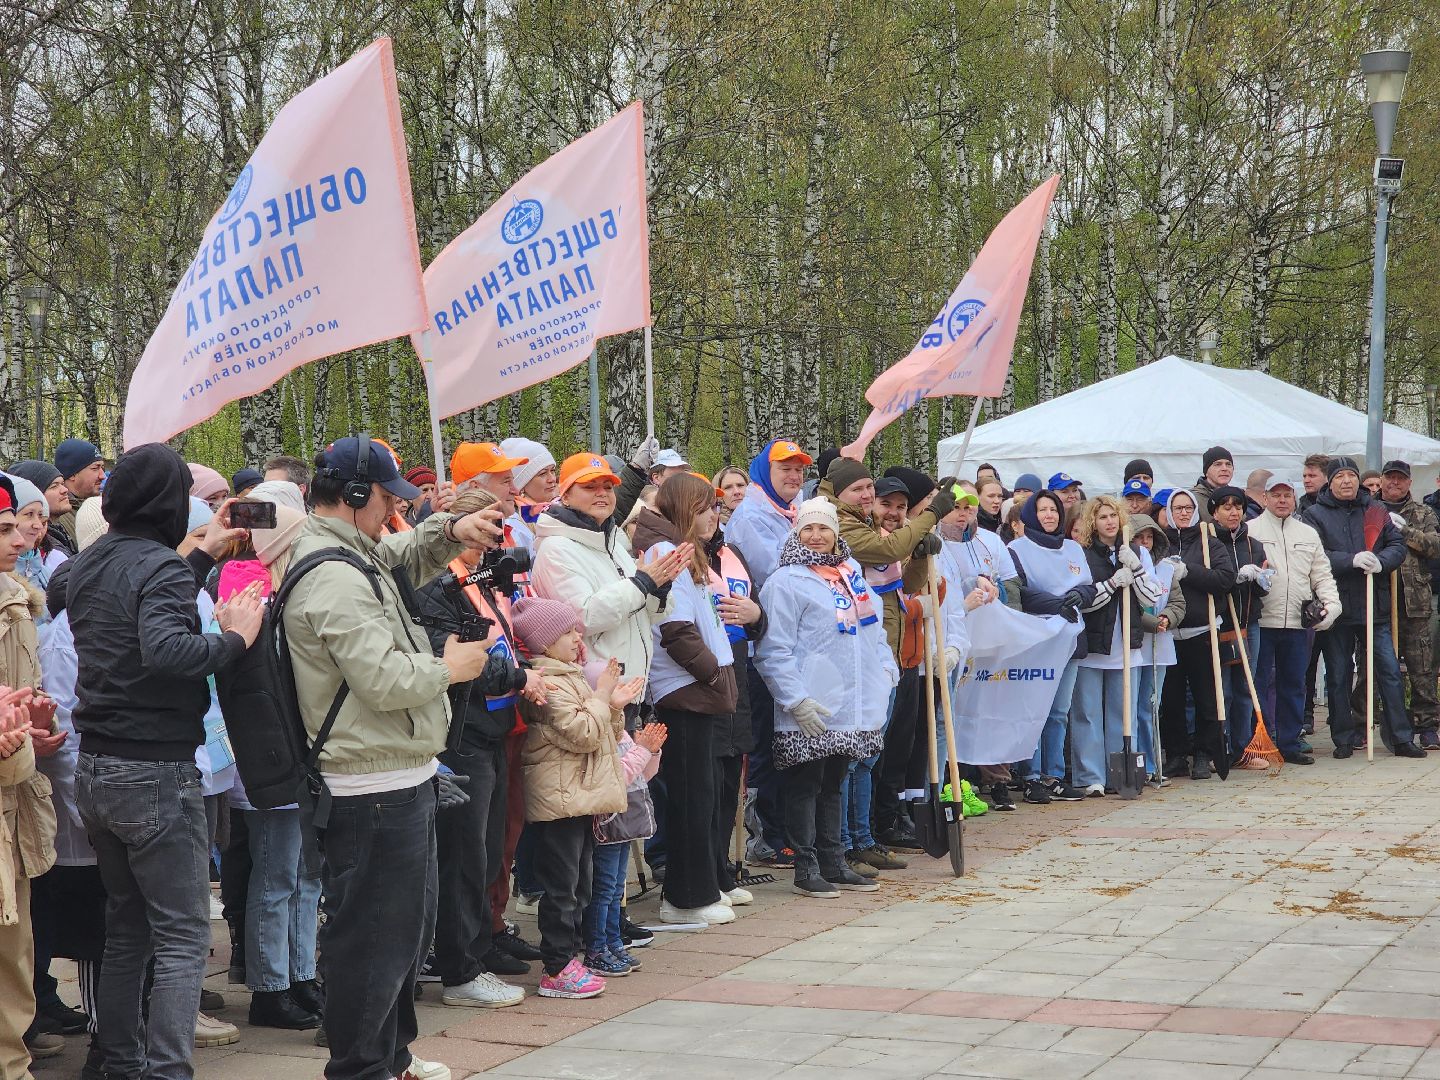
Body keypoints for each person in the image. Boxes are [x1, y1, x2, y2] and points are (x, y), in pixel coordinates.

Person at [282, 435, 505, 1080]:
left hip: (393, 777)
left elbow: (401, 557)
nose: (392, 514)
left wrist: (450, 528)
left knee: (399, 935)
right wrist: (449, 667)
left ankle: (388, 1055)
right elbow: (382, 680)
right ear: (354, 496)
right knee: (373, 939)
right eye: (386, 499)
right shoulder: (331, 574)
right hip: (368, 786)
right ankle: (361, 1065)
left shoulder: (351, 555)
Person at [68, 446, 263, 1080]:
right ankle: (167, 1070)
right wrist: (234, 637)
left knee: (128, 926)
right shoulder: (162, 569)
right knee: (181, 936)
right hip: (155, 770)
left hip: (97, 767)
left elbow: (85, 593)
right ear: (170, 503)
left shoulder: (90, 559)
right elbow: (169, 651)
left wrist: (201, 554)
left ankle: (118, 1060)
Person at [415, 488, 541, 1008]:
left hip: (493, 726)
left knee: (488, 849)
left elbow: (502, 636)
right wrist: (519, 675)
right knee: (464, 855)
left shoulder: (481, 577)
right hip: (461, 730)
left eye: (499, 526)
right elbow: (460, 657)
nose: (495, 538)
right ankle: (459, 968)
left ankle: (480, 947)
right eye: (486, 526)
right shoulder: (435, 586)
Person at [754, 498, 897, 898]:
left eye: (824, 529)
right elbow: (773, 649)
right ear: (796, 533)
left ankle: (834, 860)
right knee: (806, 782)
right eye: (808, 529)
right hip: (810, 704)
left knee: (834, 781)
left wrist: (886, 672)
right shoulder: (786, 581)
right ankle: (805, 865)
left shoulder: (851, 575)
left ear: (836, 534)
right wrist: (795, 698)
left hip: (851, 704)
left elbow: (875, 634)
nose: (816, 537)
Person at [823, 459, 954, 873]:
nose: (888, 509)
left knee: (871, 756)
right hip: (857, 657)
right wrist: (930, 517)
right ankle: (846, 841)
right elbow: (883, 551)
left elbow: (906, 583)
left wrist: (918, 553)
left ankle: (864, 836)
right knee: (855, 757)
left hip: (889, 655)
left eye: (901, 505)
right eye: (873, 495)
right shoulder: (844, 527)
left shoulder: (880, 531)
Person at [511, 598, 642, 998]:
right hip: (561, 797)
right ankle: (556, 967)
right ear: (545, 641)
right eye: (567, 632)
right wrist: (603, 696)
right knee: (563, 885)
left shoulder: (571, 677)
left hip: (579, 796)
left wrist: (613, 706)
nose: (577, 638)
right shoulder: (547, 682)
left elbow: (600, 729)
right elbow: (583, 732)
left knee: (580, 883)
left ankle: (570, 958)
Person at [629, 474, 740, 927]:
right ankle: (684, 896)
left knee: (704, 793)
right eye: (703, 507)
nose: (713, 515)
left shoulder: (691, 553)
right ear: (680, 512)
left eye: (714, 507)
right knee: (692, 795)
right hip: (685, 689)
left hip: (702, 687)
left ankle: (701, 886)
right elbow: (673, 627)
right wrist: (711, 672)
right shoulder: (664, 552)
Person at [721, 438, 812, 867]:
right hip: (762, 645)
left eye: (799, 470)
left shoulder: (789, 511)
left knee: (787, 741)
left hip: (791, 643)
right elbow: (778, 573)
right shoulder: (754, 515)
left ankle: (785, 831)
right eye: (784, 470)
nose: (794, 477)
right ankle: (763, 835)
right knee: (765, 744)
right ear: (765, 471)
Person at [1301, 456, 1423, 759]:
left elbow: (1396, 545)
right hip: (1338, 608)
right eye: (1340, 476)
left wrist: (1381, 561)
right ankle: (1343, 738)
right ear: (1330, 481)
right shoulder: (1315, 514)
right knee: (1340, 674)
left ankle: (1400, 738)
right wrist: (1350, 559)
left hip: (1375, 606)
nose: (1346, 481)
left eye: (1351, 476)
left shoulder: (1375, 509)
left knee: (1390, 672)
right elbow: (1316, 554)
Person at [531, 454, 688, 688]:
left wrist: (659, 589)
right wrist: (642, 584)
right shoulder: (556, 548)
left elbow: (645, 614)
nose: (602, 493)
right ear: (564, 496)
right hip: (592, 689)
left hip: (629, 684)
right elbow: (582, 617)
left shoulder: (612, 542)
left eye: (608, 486)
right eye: (589, 486)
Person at [1071, 496, 1163, 796]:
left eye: (1113, 515)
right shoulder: (1083, 554)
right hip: (1095, 645)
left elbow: (1151, 599)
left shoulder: (1136, 551)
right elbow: (1082, 602)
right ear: (1092, 523)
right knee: (1087, 713)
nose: (1109, 522)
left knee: (1122, 713)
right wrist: (1112, 583)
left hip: (1127, 647)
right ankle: (1090, 776)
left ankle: (1118, 773)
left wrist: (1135, 569)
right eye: (1102, 517)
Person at [1250, 476, 1339, 765]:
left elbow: (1321, 574)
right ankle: (1259, 741)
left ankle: (1289, 741)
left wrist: (1331, 604)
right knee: (1258, 683)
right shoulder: (1250, 530)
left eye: (1287, 495)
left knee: (1294, 683)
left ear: (1294, 498)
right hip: (1261, 621)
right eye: (1276, 495)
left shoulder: (1308, 533)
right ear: (1265, 498)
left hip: (1298, 622)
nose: (1282, 500)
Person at [1159, 488, 1237, 779]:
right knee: (1172, 699)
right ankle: (1177, 754)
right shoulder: (1161, 543)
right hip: (1169, 634)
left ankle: (1205, 753)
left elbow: (1225, 578)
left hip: (1202, 632)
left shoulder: (1209, 542)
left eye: (1187, 507)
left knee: (1207, 697)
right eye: (1177, 508)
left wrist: (1188, 571)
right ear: (1168, 511)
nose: (1182, 512)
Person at [583, 720, 664, 974]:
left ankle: (613, 942)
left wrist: (652, 751)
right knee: (604, 888)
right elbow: (619, 777)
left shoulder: (623, 736)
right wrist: (642, 750)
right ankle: (596, 948)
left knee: (617, 888)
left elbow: (643, 775)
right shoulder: (601, 738)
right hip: (610, 824)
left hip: (626, 824)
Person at [1377, 461, 1440, 748]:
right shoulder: (1370, 510)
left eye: (1400, 479)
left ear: (1409, 482)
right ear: (1381, 481)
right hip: (1379, 604)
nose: (1394, 484)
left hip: (1415, 603)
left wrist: (1406, 533)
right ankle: (1366, 722)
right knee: (1375, 667)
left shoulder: (1422, 512)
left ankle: (1426, 725)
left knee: (1422, 668)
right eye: (1390, 478)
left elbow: (1435, 546)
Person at [1208, 485, 1269, 767]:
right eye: (1226, 507)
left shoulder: (1252, 545)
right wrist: (1233, 579)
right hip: (1219, 624)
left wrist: (1261, 579)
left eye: (1238, 507)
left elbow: (1262, 590)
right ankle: (1223, 746)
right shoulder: (1208, 541)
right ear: (1215, 512)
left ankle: (1245, 748)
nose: (1233, 512)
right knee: (1224, 690)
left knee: (1246, 686)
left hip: (1248, 623)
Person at [1130, 513, 1185, 783]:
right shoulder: (1127, 567)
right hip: (1134, 646)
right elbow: (1130, 607)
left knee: (1151, 706)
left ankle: (1152, 764)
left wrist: (1167, 618)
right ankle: (1136, 763)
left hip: (1160, 647)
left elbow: (1177, 602)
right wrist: (1150, 622)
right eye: (1139, 537)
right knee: (1133, 708)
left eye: (1149, 537)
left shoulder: (1165, 568)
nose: (1145, 542)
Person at [501, 438, 559, 555]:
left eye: (552, 471)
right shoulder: (514, 525)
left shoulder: (557, 511)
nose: (552, 479)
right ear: (522, 485)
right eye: (542, 474)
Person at [50, 439, 106, 555]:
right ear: (73, 474)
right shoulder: (57, 515)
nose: (103, 476)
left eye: (102, 468)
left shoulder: (103, 505)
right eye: (95, 468)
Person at [9, 461, 73, 557]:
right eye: (54, 486)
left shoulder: (58, 533)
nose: (65, 490)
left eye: (62, 484)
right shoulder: (42, 550)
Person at [1191, 446, 1234, 522]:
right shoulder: (1192, 499)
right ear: (1206, 471)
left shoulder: (1237, 497)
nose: (1224, 468)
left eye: (1228, 464)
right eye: (1218, 464)